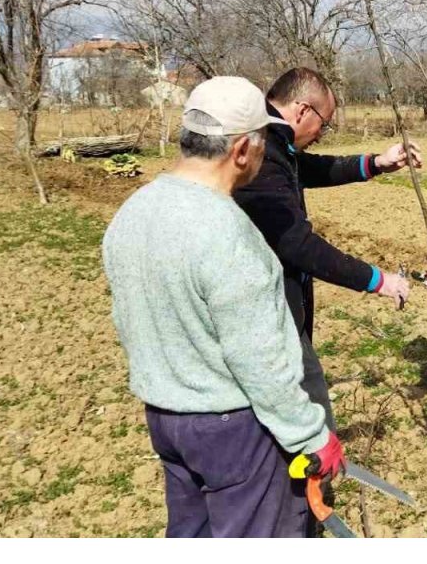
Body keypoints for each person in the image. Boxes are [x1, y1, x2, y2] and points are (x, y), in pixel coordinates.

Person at [102, 77, 344, 538]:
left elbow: (128, 321)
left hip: (166, 420)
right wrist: (313, 437)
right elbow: (260, 363)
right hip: (233, 433)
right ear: (241, 150)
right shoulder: (228, 233)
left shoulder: (132, 213)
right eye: (262, 144)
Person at [231, 68, 419, 533]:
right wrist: (378, 280)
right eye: (324, 124)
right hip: (266, 314)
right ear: (302, 111)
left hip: (276, 306)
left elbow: (309, 170)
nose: (321, 134)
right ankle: (300, 515)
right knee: (305, 397)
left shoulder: (273, 147)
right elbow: (298, 244)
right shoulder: (259, 151)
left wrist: (376, 163)